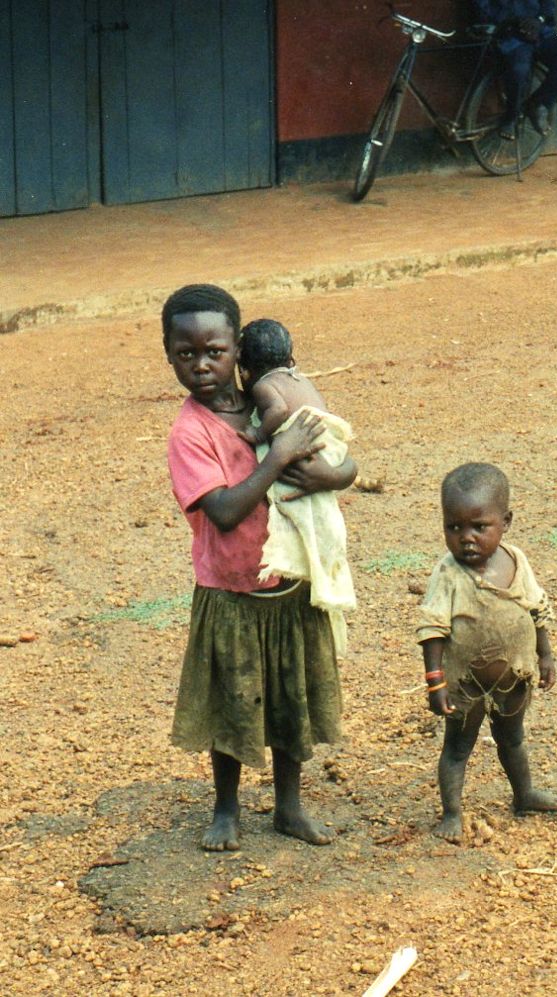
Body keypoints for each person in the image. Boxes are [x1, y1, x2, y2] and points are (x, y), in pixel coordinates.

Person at [162, 284, 357, 850]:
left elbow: (344, 459)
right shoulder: (190, 433)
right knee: (232, 702)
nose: (202, 365)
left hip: (290, 583)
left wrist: (329, 475)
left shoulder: (270, 399)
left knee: (291, 699)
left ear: (238, 350)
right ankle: (226, 809)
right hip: (231, 591)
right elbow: (224, 511)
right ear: (169, 356)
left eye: (215, 351)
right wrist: (280, 453)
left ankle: (289, 807)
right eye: (186, 354)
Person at [417, 462, 557, 842]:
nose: (466, 538)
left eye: (479, 527)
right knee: (457, 748)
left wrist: (545, 656)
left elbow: (536, 608)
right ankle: (452, 813)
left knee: (513, 738)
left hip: (514, 677)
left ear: (506, 522)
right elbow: (432, 629)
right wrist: (435, 683)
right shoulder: (448, 573)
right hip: (465, 686)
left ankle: (524, 794)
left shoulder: (516, 561)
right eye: (454, 527)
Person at [238, 318, 355, 655]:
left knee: (297, 505)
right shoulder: (299, 378)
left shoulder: (263, 385)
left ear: (244, 370)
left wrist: (259, 434)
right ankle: (327, 574)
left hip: (306, 446)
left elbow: (277, 410)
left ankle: (304, 568)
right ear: (291, 359)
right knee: (322, 511)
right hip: (329, 447)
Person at [472, 0, 557, 138]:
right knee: (519, 70)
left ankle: (539, 104)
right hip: (511, 35)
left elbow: (548, 4)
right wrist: (513, 22)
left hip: (539, 31)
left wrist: (539, 19)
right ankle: (511, 116)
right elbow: (483, 8)